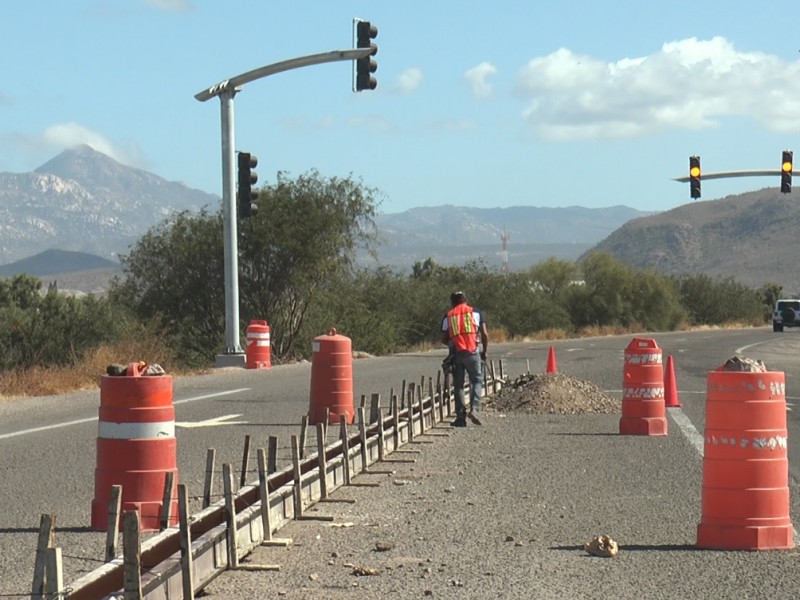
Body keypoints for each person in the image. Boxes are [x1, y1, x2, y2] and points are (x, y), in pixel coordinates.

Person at [440, 291, 489, 427]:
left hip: (456, 354)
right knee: (477, 380)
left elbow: (443, 338)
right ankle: (474, 409)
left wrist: (452, 345)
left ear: (452, 302)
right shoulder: (476, 312)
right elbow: (484, 333)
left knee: (458, 386)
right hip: (473, 352)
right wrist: (485, 351)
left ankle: (460, 418)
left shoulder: (448, 316)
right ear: (465, 300)